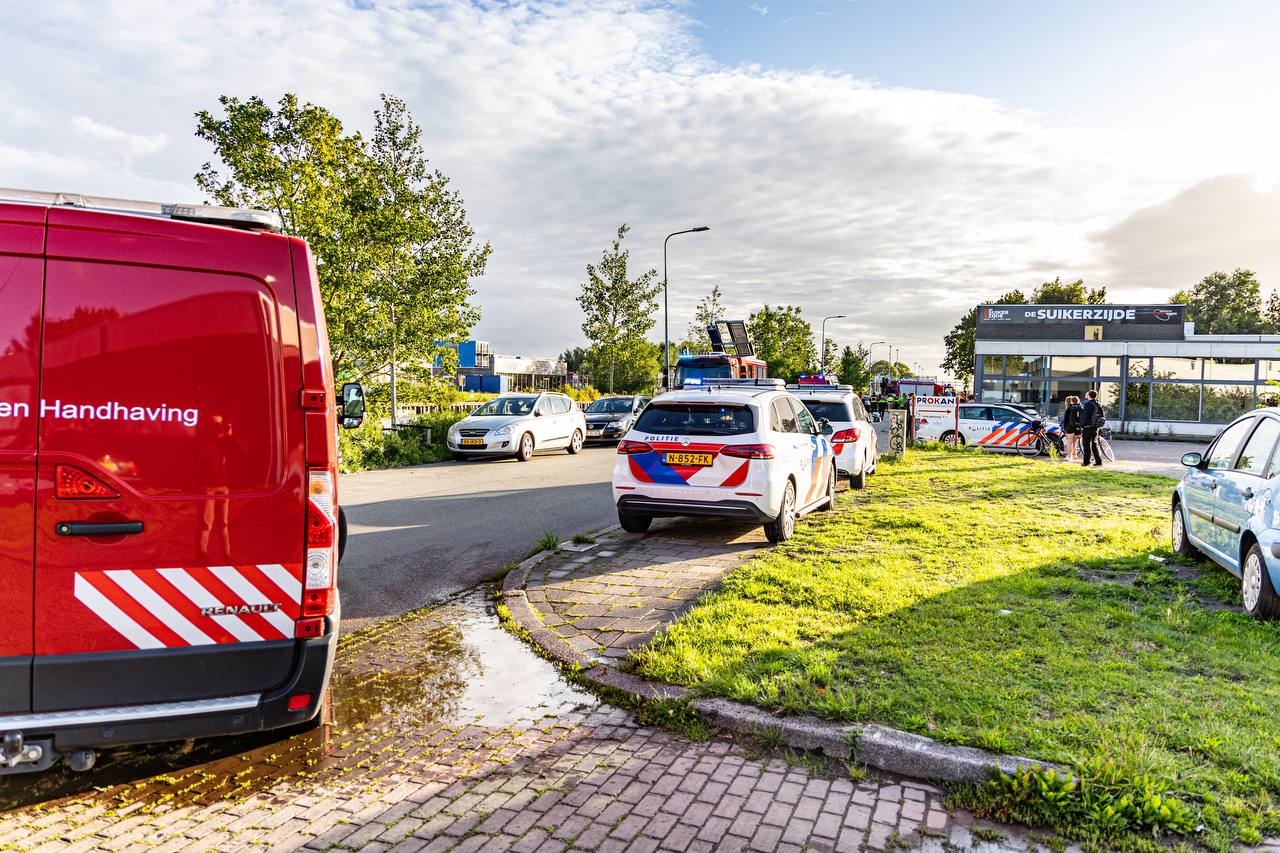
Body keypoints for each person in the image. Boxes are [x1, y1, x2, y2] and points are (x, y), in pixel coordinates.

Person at [1080, 390, 1105, 467]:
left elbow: (1084, 417)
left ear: (1089, 396)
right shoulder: (1098, 405)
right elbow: (1102, 415)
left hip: (1087, 427)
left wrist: (1081, 425)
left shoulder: (1088, 405)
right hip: (1095, 427)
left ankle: (1086, 462)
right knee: (1094, 444)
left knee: (1086, 445)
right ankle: (1098, 461)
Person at [1060, 395, 1083, 462]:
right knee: (1074, 442)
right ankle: (1074, 455)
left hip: (1070, 427)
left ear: (1072, 401)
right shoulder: (1081, 408)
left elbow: (1066, 420)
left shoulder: (1069, 409)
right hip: (1078, 428)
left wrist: (1065, 428)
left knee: (1069, 442)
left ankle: (1069, 457)